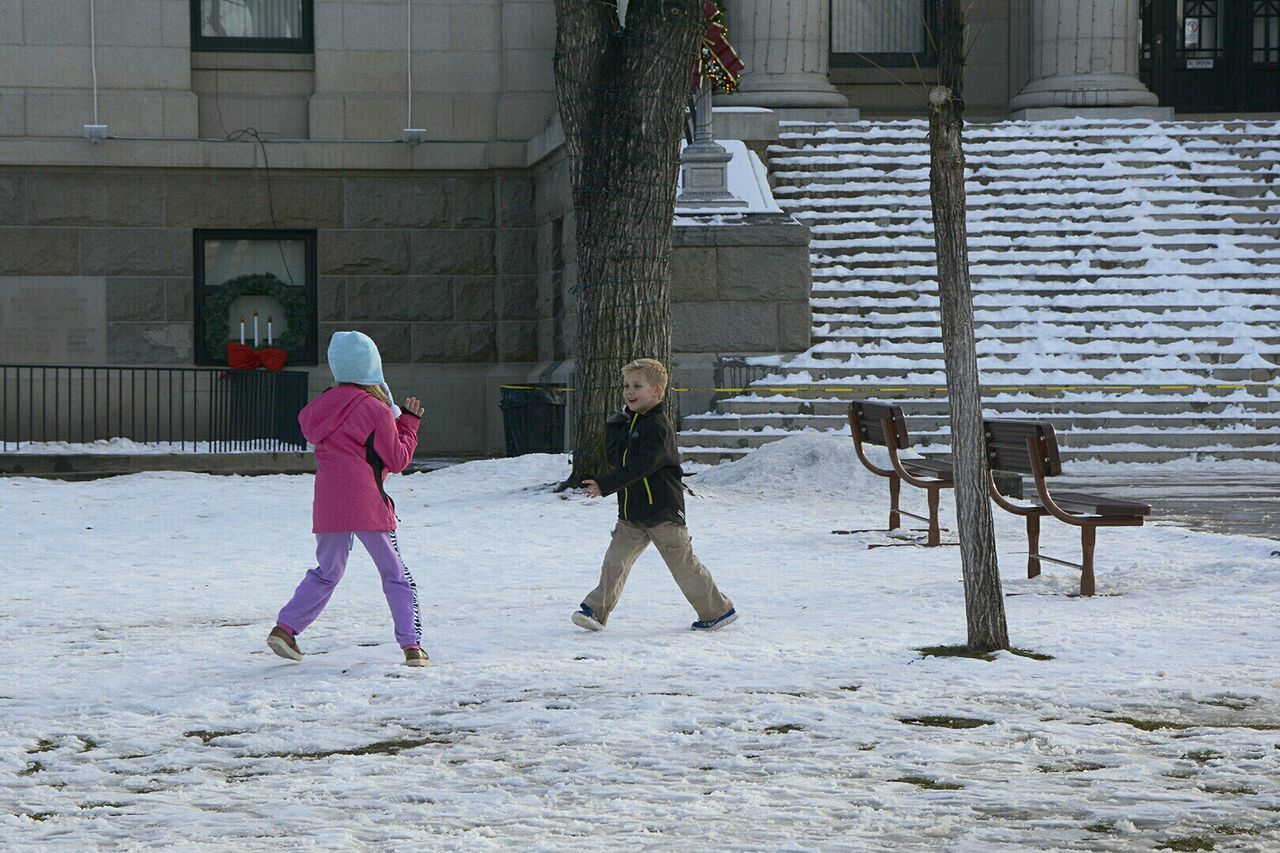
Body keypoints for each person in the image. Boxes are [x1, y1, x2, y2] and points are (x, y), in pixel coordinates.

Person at [266, 331, 429, 667]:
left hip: (329, 504)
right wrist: (409, 425)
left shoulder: (319, 408)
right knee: (395, 574)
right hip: (368, 502)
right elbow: (397, 460)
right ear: (373, 367)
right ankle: (411, 646)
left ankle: (285, 628)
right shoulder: (377, 410)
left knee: (327, 571)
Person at [572, 358, 737, 633]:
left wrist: (605, 485)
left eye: (637, 386)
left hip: (663, 512)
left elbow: (641, 467)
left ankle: (717, 611)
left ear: (657, 392)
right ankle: (596, 611)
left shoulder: (658, 426)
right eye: (626, 386)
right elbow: (616, 458)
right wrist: (616, 424)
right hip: (632, 513)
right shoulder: (630, 423)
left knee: (683, 567)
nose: (629, 391)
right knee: (614, 563)